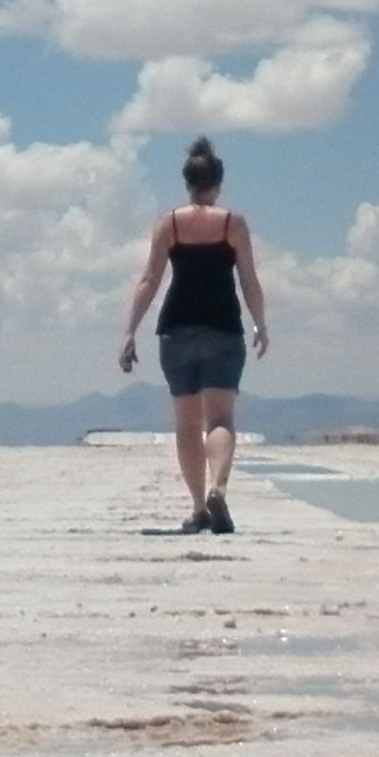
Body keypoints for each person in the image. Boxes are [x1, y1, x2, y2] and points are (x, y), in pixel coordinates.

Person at [116, 137, 269, 534]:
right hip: (223, 329)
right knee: (220, 418)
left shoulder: (168, 224)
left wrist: (130, 331)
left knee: (186, 423)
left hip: (176, 331)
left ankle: (199, 507)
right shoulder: (233, 224)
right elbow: (249, 279)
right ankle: (219, 488)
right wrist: (261, 323)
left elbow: (150, 278)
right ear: (217, 185)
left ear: (188, 184)